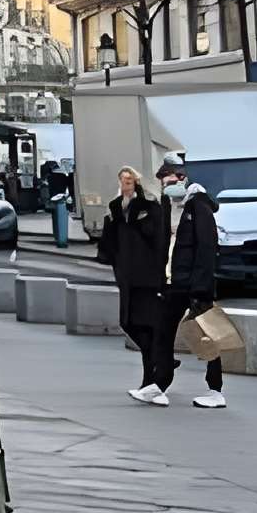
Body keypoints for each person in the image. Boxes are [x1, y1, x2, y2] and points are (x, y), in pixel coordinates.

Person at [102, 167, 178, 404]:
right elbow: (110, 240)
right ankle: (160, 361)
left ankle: (152, 377)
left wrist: (160, 274)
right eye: (122, 180)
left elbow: (158, 240)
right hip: (126, 277)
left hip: (147, 277)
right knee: (128, 323)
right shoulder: (115, 207)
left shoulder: (149, 207)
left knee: (148, 327)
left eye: (129, 180)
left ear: (136, 182)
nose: (125, 184)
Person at [170, 182, 227, 409]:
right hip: (189, 284)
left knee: (208, 336)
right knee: (203, 334)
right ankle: (158, 381)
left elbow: (204, 250)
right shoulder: (194, 209)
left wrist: (199, 288)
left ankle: (215, 390)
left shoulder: (198, 210)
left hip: (194, 286)